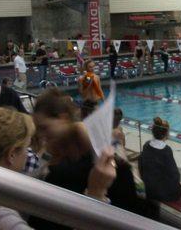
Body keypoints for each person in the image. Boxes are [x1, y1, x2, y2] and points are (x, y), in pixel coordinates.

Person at [0, 107, 117, 230]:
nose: (29, 152)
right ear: (12, 154)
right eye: (27, 147)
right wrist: (97, 194)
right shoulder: (0, 220)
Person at [28, 89, 123, 229]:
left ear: (63, 118)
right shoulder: (58, 164)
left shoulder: (74, 167)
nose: (41, 135)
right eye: (39, 129)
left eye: (44, 128)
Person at [139, 117, 181, 203]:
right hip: (161, 193)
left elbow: (141, 166)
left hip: (148, 188)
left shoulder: (146, 145)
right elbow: (174, 175)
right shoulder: (166, 150)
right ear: (166, 134)